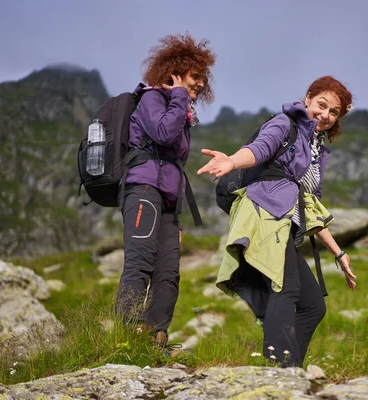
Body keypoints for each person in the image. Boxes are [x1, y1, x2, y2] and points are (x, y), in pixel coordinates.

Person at [197, 76, 357, 367]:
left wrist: (339, 253)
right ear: (308, 98)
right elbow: (260, 149)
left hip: (285, 227)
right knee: (286, 290)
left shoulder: (316, 151)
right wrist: (232, 161)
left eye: (334, 112)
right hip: (266, 215)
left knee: (312, 307)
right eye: (322, 105)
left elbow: (311, 205)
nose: (325, 115)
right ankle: (283, 370)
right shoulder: (285, 124)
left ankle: (288, 367)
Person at [115, 33, 216, 348]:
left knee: (169, 271)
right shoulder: (152, 98)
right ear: (175, 73)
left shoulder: (179, 109)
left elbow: (173, 160)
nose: (200, 84)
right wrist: (178, 95)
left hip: (170, 202)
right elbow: (161, 132)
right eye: (195, 77)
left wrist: (178, 219)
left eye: (203, 78)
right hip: (143, 187)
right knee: (140, 261)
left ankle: (157, 338)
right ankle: (128, 337)